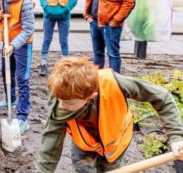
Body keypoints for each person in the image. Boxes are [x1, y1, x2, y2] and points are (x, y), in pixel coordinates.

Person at [36, 57, 183, 172]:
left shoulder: (114, 84)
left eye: (69, 104)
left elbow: (162, 97)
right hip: (84, 142)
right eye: (60, 101)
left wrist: (176, 136)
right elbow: (51, 142)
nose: (62, 106)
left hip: (115, 141)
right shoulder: (60, 93)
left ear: (90, 96)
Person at [0, 0, 34, 133]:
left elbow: (29, 29)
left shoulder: (25, 1)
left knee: (22, 79)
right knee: (5, 72)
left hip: (22, 45)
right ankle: (10, 99)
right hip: (6, 42)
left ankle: (23, 117)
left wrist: (14, 45)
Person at [84, 0, 135, 73]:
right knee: (97, 54)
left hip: (111, 25)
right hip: (95, 23)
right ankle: (97, 81)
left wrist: (115, 21)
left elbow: (129, 2)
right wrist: (87, 16)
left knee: (113, 54)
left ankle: (114, 82)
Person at [38, 0, 78, 77]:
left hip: (64, 16)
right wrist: (46, 7)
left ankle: (65, 65)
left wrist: (66, 9)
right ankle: (43, 63)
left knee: (63, 40)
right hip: (49, 15)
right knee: (46, 39)